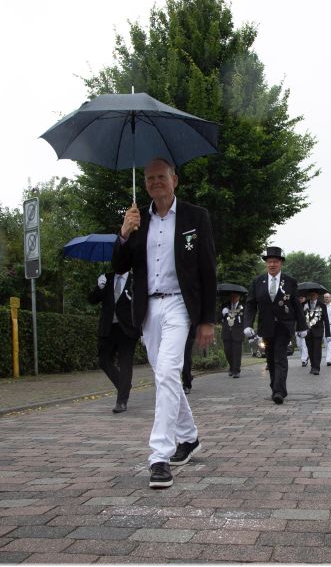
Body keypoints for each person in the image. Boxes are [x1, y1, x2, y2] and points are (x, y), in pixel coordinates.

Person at [113, 157, 216, 489]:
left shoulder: (195, 217)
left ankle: (159, 455)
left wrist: (207, 319)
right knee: (165, 375)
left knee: (169, 371)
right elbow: (119, 266)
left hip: (179, 305)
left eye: (161, 176)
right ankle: (189, 437)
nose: (155, 182)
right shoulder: (137, 219)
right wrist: (124, 234)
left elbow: (208, 270)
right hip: (148, 308)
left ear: (175, 180)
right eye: (149, 178)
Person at [243, 247, 306, 404]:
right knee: (270, 359)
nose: (272, 264)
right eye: (269, 261)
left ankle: (279, 391)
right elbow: (250, 304)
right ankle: (275, 387)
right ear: (266, 263)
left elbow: (296, 305)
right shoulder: (258, 282)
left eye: (275, 261)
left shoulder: (290, 282)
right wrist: (248, 324)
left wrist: (302, 326)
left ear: (280, 263)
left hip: (284, 326)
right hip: (266, 326)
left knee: (280, 357)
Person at [88, 269, 140, 413]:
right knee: (103, 361)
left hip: (127, 329)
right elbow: (92, 300)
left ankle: (121, 401)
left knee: (125, 363)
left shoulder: (135, 279)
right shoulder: (107, 278)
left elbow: (142, 304)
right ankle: (124, 385)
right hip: (108, 328)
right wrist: (99, 287)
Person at [303, 290, 330, 375]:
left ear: (317, 295)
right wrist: (299, 330)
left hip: (318, 331)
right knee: (310, 350)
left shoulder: (322, 305)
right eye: (311, 295)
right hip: (308, 331)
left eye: (314, 295)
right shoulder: (304, 304)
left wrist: (328, 334)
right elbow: (300, 317)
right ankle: (312, 366)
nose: (313, 296)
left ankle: (316, 368)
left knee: (317, 349)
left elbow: (326, 320)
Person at [221, 291, 245, 378]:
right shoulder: (225, 305)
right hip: (227, 332)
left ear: (238, 297)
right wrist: (223, 313)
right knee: (227, 351)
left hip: (238, 332)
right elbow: (221, 319)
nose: (233, 298)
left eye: (235, 296)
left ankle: (236, 371)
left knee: (237, 352)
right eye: (232, 296)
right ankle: (232, 366)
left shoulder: (242, 307)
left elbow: (244, 318)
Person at [295, 293, 309, 368]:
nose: (301, 299)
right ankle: (305, 356)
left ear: (305, 298)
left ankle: (304, 359)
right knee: (299, 345)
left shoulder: (306, 306)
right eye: (299, 298)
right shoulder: (296, 306)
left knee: (304, 345)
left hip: (305, 328)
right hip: (297, 328)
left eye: (302, 298)